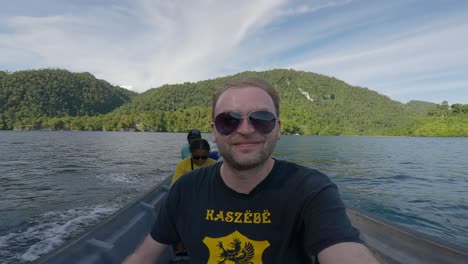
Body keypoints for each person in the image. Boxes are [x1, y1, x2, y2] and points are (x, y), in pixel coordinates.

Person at [124, 78, 379, 263]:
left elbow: (345, 251)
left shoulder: (311, 190)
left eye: (261, 119)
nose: (245, 130)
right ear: (213, 131)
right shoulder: (185, 188)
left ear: (278, 128)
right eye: (228, 120)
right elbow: (142, 257)